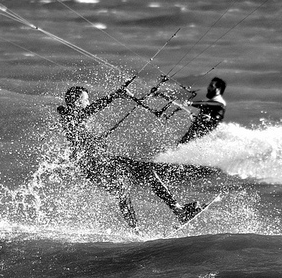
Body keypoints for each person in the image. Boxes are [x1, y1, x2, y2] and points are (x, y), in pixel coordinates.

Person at [57, 85, 203, 229]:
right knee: (142, 176)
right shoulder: (71, 117)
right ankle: (178, 211)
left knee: (124, 189)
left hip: (96, 164)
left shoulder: (72, 119)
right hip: (95, 165)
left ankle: (138, 231)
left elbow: (83, 137)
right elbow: (89, 111)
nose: (88, 102)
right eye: (86, 99)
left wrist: (95, 143)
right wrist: (113, 96)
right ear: (77, 102)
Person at [179, 77, 227, 144]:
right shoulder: (212, 103)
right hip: (192, 139)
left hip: (199, 141)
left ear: (218, 90)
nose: (208, 88)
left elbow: (205, 104)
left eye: (211, 86)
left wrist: (190, 103)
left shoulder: (220, 104)